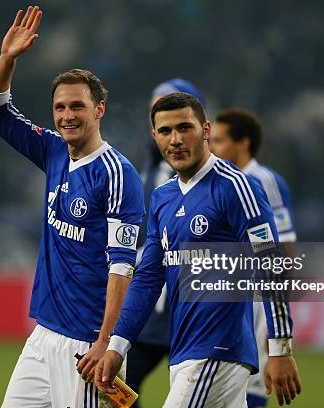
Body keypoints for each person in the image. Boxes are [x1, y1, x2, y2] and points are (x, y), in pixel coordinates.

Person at [0, 6, 144, 407]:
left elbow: (122, 268)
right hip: (43, 335)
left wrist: (107, 344)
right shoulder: (53, 151)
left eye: (77, 107)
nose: (67, 116)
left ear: (98, 109)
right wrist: (7, 59)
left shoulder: (117, 174)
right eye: (60, 108)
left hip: (88, 344)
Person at [95, 93, 302, 407]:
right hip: (184, 354)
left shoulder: (236, 187)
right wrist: (117, 346)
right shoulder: (163, 198)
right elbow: (149, 279)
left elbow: (271, 263)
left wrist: (280, 349)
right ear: (155, 136)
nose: (175, 140)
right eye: (165, 131)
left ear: (205, 130)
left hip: (217, 351)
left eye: (185, 128)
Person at [210, 108, 298, 408]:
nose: (212, 148)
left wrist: (275, 321)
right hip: (226, 301)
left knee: (253, 385)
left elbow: (283, 248)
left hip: (258, 302)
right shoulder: (220, 183)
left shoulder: (263, 180)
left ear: (243, 143)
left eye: (219, 141)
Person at [127, 79, 207, 407]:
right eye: (155, 113)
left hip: (194, 304)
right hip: (154, 301)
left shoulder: (216, 176)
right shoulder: (152, 169)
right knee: (117, 383)